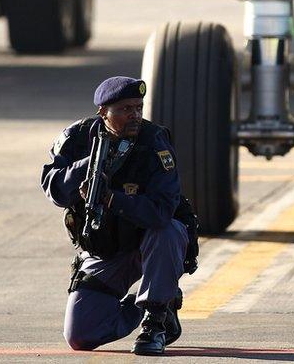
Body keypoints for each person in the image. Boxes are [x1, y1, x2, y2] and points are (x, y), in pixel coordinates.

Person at [41, 76, 193, 355]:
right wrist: (89, 168)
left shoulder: (154, 142)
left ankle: (156, 321)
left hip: (148, 243)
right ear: (103, 112)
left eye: (138, 107)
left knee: (169, 230)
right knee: (81, 336)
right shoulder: (76, 138)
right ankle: (149, 303)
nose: (134, 115)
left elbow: (161, 212)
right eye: (125, 109)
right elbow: (55, 191)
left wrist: (113, 199)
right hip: (106, 249)